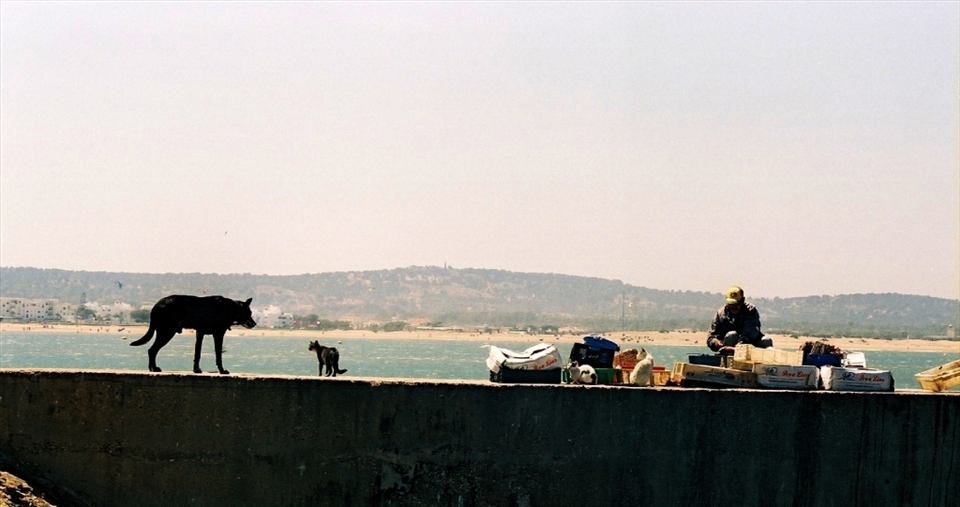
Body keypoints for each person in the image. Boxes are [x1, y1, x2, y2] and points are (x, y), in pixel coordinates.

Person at [706, 286, 773, 353]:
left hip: (749, 343)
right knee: (732, 335)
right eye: (731, 304)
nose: (734, 307)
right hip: (728, 345)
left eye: (737, 303)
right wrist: (716, 342)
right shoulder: (720, 314)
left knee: (767, 341)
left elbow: (751, 330)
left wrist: (742, 343)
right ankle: (730, 357)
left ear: (743, 300)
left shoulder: (750, 311)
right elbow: (711, 336)